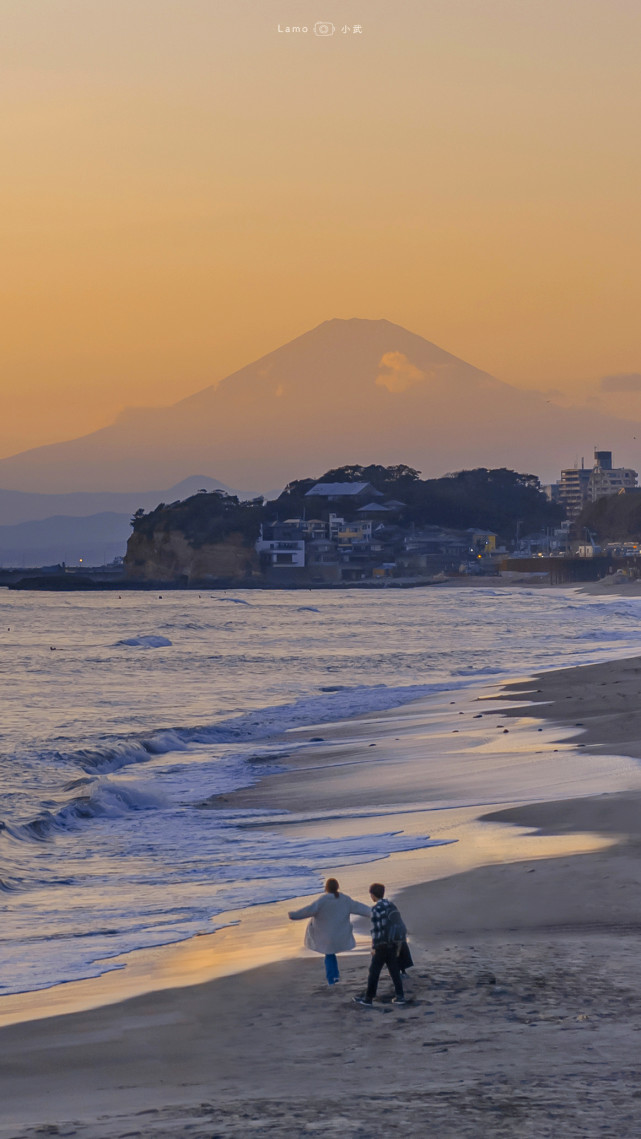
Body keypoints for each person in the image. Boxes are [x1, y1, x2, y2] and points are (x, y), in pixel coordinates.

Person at [288, 878, 371, 985]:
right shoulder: (345, 899)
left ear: (326, 888)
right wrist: (376, 912)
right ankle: (334, 976)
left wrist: (293, 915)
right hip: (339, 934)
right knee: (330, 955)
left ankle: (332, 978)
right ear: (337, 887)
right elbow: (361, 908)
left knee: (329, 954)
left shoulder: (323, 900)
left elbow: (307, 911)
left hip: (325, 935)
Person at [353, 882, 407, 1006]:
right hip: (393, 943)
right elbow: (399, 924)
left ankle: (368, 999)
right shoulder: (391, 905)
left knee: (374, 971)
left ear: (373, 895)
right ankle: (400, 996)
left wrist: (374, 947)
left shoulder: (375, 909)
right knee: (394, 971)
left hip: (381, 945)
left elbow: (376, 931)